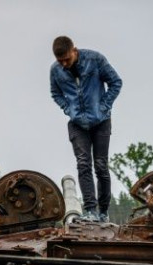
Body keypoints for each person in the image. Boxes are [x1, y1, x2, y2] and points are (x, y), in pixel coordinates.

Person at [50, 36, 122, 223]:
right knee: (83, 164)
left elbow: (116, 82)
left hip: (101, 121)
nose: (64, 64)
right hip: (77, 123)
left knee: (101, 166)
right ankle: (90, 210)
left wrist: (104, 107)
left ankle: (103, 211)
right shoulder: (55, 71)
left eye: (67, 59)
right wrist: (68, 109)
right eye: (60, 61)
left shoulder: (95, 59)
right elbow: (55, 93)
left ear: (74, 50)